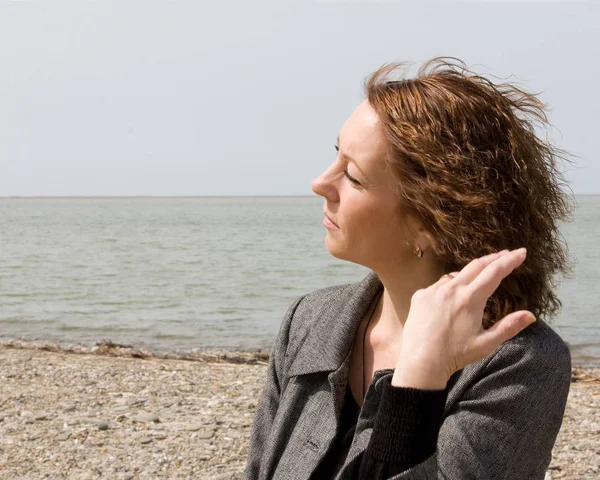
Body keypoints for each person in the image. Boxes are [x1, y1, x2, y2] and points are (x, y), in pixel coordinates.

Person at [243, 57, 575, 480]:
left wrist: (419, 380)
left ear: (432, 224)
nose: (320, 183)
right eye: (335, 156)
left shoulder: (519, 362)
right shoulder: (309, 321)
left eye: (354, 177)